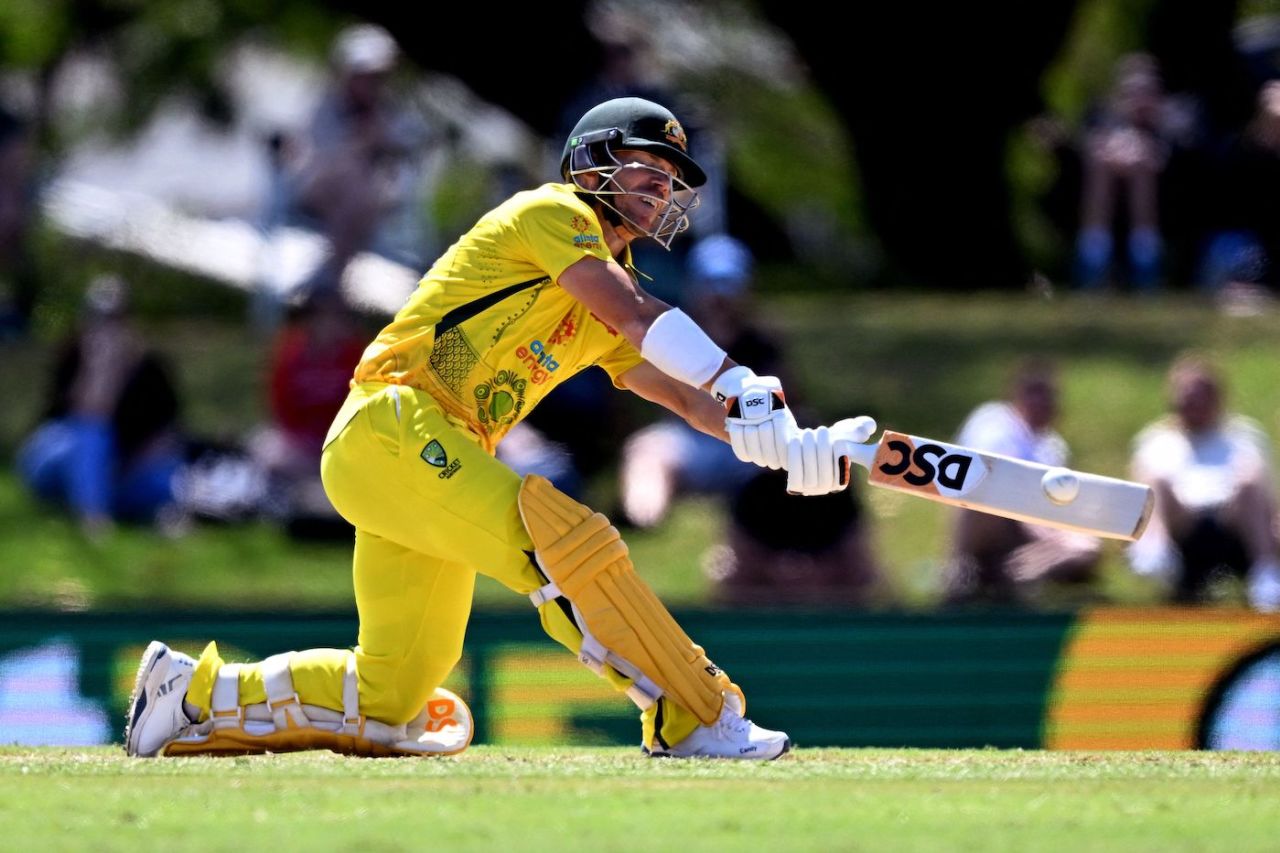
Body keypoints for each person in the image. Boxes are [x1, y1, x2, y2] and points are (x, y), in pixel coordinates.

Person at [125, 97, 874, 761]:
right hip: (393, 425)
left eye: (668, 179)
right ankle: (696, 716)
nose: (660, 190)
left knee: (391, 693)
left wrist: (788, 444)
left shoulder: (607, 293)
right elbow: (637, 318)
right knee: (565, 539)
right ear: (593, 163)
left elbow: (683, 397)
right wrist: (736, 376)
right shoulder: (552, 214)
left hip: (425, 461)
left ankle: (187, 693)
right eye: (647, 170)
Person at [16, 275, 185, 541]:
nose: (107, 328)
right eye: (98, 318)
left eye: (115, 319)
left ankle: (115, 504)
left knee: (162, 480)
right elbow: (87, 418)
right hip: (55, 456)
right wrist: (101, 373)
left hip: (121, 468)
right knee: (93, 432)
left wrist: (133, 465)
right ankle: (94, 518)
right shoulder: (74, 355)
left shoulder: (150, 368)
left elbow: (167, 434)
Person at [1128, 355, 1280, 610]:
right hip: (1182, 527)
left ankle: (1266, 574)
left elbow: (1266, 495)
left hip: (1232, 523)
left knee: (1250, 481)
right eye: (1186, 395)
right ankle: (1156, 553)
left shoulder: (1244, 435)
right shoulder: (1155, 439)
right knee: (1155, 481)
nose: (1193, 403)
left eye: (1201, 395)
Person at [943, 362, 1101, 604]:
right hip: (995, 519)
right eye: (1034, 393)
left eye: (1048, 395)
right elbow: (993, 480)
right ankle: (960, 578)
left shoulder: (1053, 447)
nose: (1042, 402)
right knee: (978, 500)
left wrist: (1051, 536)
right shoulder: (993, 422)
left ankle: (1017, 581)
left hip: (1035, 528)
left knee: (1086, 546)